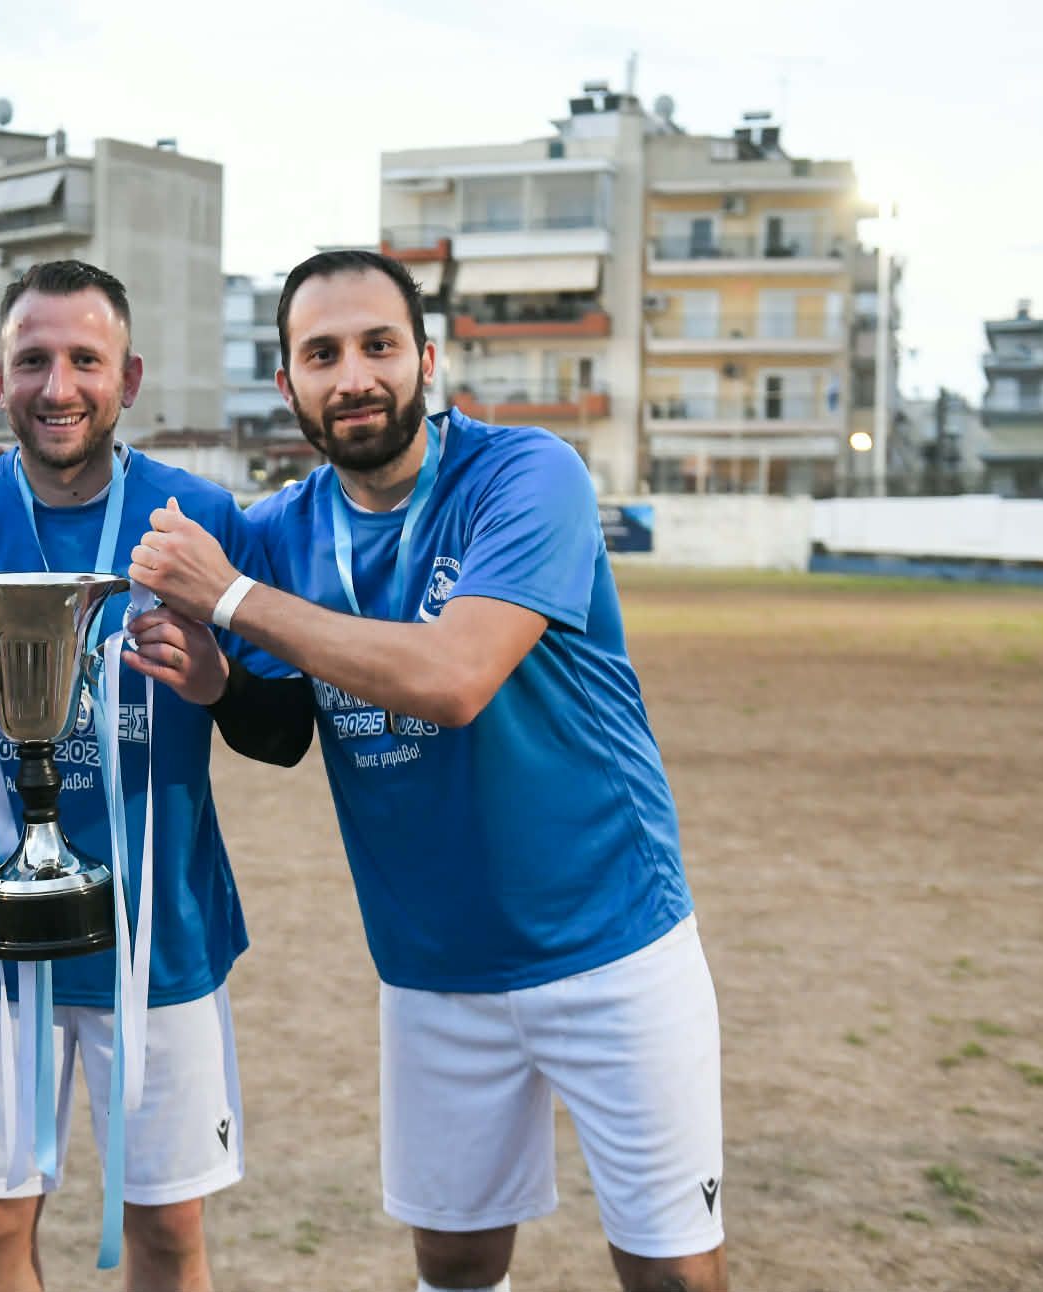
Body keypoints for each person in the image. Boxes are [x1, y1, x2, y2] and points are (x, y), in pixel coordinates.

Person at [125, 249, 726, 1292]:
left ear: (425, 359)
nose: (351, 374)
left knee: (671, 1273)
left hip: (609, 942)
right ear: (287, 385)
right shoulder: (276, 530)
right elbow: (269, 716)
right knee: (450, 1271)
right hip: (431, 968)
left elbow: (452, 678)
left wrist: (232, 600)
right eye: (321, 353)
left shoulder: (524, 473)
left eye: (376, 345)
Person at [0, 260, 311, 1292]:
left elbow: (282, 729)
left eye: (83, 359)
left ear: (129, 376)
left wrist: (213, 681)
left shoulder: (198, 516)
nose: (57, 385)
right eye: (32, 360)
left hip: (160, 941)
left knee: (166, 1238)